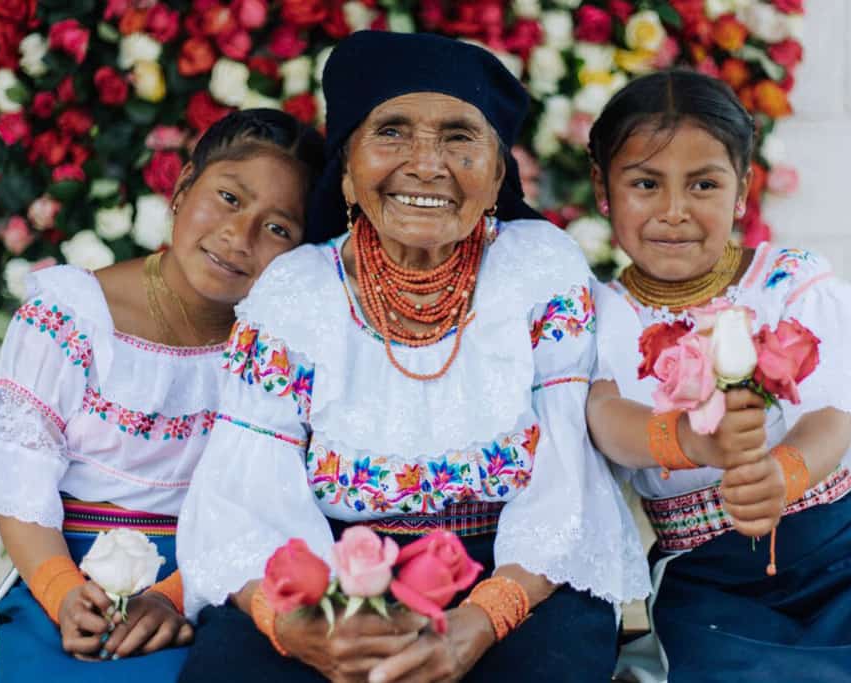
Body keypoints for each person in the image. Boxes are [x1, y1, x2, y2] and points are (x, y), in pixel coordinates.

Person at [176, 31, 649, 683]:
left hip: (519, 573)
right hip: (331, 574)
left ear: (498, 175)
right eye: (392, 132)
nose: (427, 164)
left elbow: (564, 481)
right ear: (346, 169)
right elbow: (245, 497)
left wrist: (479, 621)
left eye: (459, 137)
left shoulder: (538, 267)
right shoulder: (298, 290)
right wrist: (314, 624)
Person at [584, 69, 851, 682]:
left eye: (703, 184)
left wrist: (785, 473)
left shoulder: (789, 282)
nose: (674, 211)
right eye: (645, 183)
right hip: (707, 579)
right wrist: (688, 440)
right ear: (603, 188)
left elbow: (833, 412)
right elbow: (604, 416)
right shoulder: (598, 316)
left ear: (743, 190)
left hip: (842, 553)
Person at [0, 108, 329, 682]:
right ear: (182, 186)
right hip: (67, 567)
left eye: (278, 228)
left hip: (219, 577)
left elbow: (268, 501)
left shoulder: (277, 350)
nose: (239, 236)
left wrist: (179, 594)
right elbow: (20, 485)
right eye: (229, 197)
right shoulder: (72, 316)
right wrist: (63, 592)